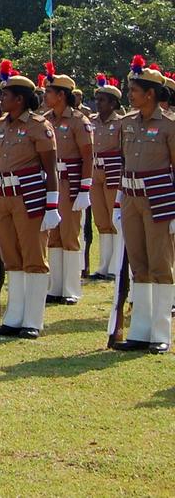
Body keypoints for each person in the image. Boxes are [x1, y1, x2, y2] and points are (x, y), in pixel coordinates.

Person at [0, 60, 60, 340]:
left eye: (6, 94)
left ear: (19, 99)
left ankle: (33, 319)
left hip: (28, 196)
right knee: (11, 257)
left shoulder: (39, 126)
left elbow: (50, 167)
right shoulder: (1, 124)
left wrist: (52, 205)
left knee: (33, 257)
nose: (1, 98)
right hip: (3, 197)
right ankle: (14, 315)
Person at [112, 58, 175, 354]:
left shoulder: (169, 126)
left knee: (161, 265)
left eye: (134, 90)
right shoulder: (126, 124)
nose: (129, 94)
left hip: (159, 199)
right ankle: (140, 330)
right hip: (131, 198)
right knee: (139, 265)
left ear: (150, 94)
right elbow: (123, 164)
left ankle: (161, 332)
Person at [41, 64, 93, 306]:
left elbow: (88, 156)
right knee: (53, 235)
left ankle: (70, 288)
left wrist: (84, 189)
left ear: (61, 95)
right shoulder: (45, 120)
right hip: (52, 181)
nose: (45, 96)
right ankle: (55, 286)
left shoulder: (78, 121)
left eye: (49, 92)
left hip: (70, 181)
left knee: (70, 235)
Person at [89, 74, 126, 281]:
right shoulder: (92, 122)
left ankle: (115, 265)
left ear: (113, 103)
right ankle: (104, 264)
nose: (98, 103)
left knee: (114, 218)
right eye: (97, 99)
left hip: (113, 171)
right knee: (101, 219)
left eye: (103, 100)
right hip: (95, 171)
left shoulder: (120, 123)